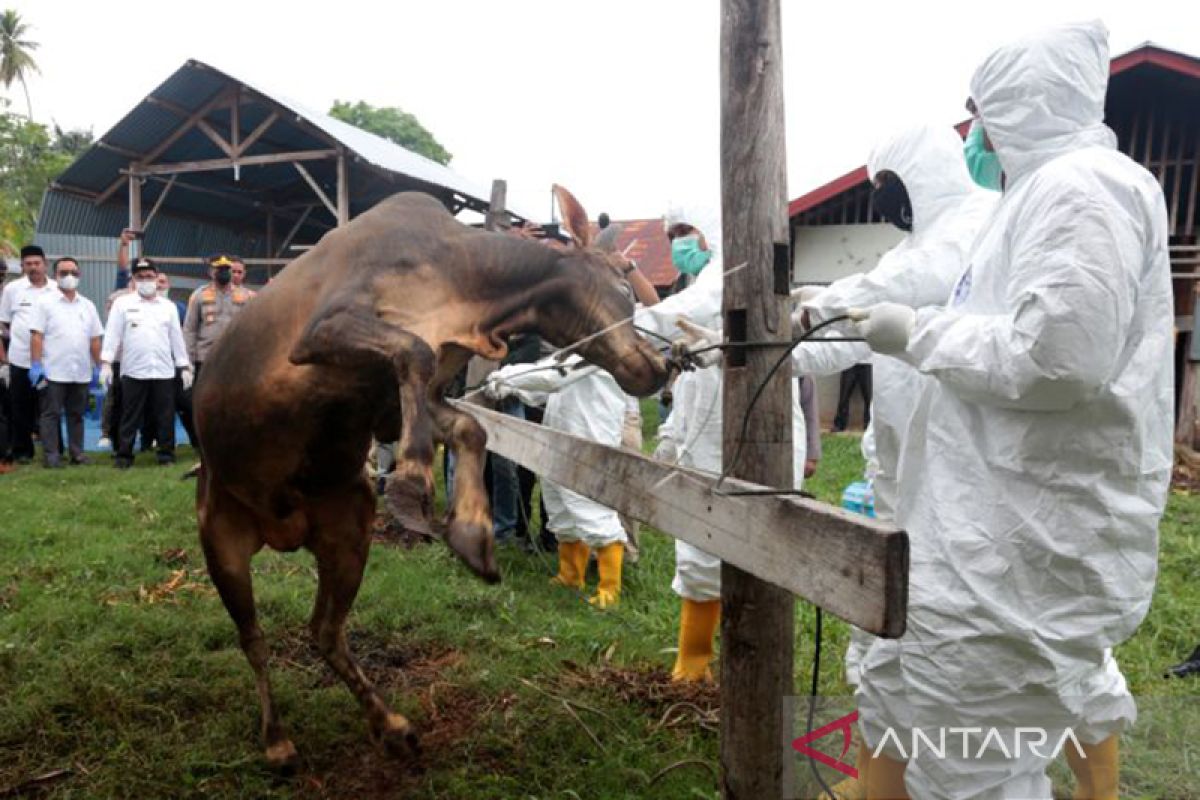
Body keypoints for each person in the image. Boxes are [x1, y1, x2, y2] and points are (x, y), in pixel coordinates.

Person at [849, 21, 1173, 799]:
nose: (974, 134)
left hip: (1023, 550)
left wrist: (917, 332)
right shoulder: (1034, 198)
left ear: (1019, 103)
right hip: (982, 534)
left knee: (977, 771)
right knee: (910, 708)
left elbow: (1060, 357)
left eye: (979, 113)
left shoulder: (1085, 188)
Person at [790, 123, 998, 800]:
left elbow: (909, 281)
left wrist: (818, 306)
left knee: (959, 657)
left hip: (971, 491)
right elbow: (842, 344)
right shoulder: (909, 250)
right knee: (887, 646)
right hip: (901, 486)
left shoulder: (979, 224)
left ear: (922, 173)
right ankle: (882, 786)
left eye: (887, 186)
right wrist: (773, 343)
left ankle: (1093, 787)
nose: (883, 202)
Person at [636, 210, 809, 683]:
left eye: (682, 234)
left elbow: (671, 320)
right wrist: (671, 438)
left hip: (752, 435)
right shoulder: (698, 288)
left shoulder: (733, 275)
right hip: (703, 439)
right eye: (670, 237)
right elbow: (688, 388)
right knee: (698, 552)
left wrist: (614, 326)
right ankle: (693, 664)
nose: (676, 245)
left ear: (709, 230)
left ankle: (752, 664)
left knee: (748, 558)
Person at [100, 258, 193, 468]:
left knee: (165, 415)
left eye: (149, 276)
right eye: (140, 277)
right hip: (133, 370)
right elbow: (112, 335)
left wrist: (184, 366)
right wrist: (106, 363)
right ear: (134, 279)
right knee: (130, 415)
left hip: (163, 370)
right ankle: (124, 455)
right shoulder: (122, 304)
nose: (146, 281)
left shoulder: (168, 306)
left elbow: (176, 338)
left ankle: (166, 454)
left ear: (156, 277)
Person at [28, 258, 103, 467]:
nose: (69, 277)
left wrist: (99, 366)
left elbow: (95, 339)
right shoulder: (44, 303)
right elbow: (36, 336)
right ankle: (52, 456)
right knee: (50, 415)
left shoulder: (88, 305)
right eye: (63, 272)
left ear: (79, 275)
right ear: (55, 276)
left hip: (80, 370)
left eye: (73, 272)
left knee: (77, 414)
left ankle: (77, 454)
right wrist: (36, 365)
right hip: (53, 371)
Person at [0, 245, 58, 464]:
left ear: (45, 264)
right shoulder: (13, 289)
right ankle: (22, 451)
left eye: (37, 263)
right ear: (23, 266)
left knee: (50, 408)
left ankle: (55, 450)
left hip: (51, 360)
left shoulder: (56, 289)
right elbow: (3, 323)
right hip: (20, 359)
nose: (33, 267)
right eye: (28, 264)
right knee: (20, 407)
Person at [183, 254, 255, 376]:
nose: (223, 272)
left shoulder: (246, 296)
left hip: (235, 357)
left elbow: (251, 328)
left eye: (226, 269)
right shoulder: (199, 295)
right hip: (205, 357)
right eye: (219, 269)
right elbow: (190, 329)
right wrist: (188, 361)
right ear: (211, 272)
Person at [831, 361, 871, 432]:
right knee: (844, 396)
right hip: (850, 362)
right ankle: (840, 424)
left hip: (867, 362)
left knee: (869, 397)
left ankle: (870, 425)